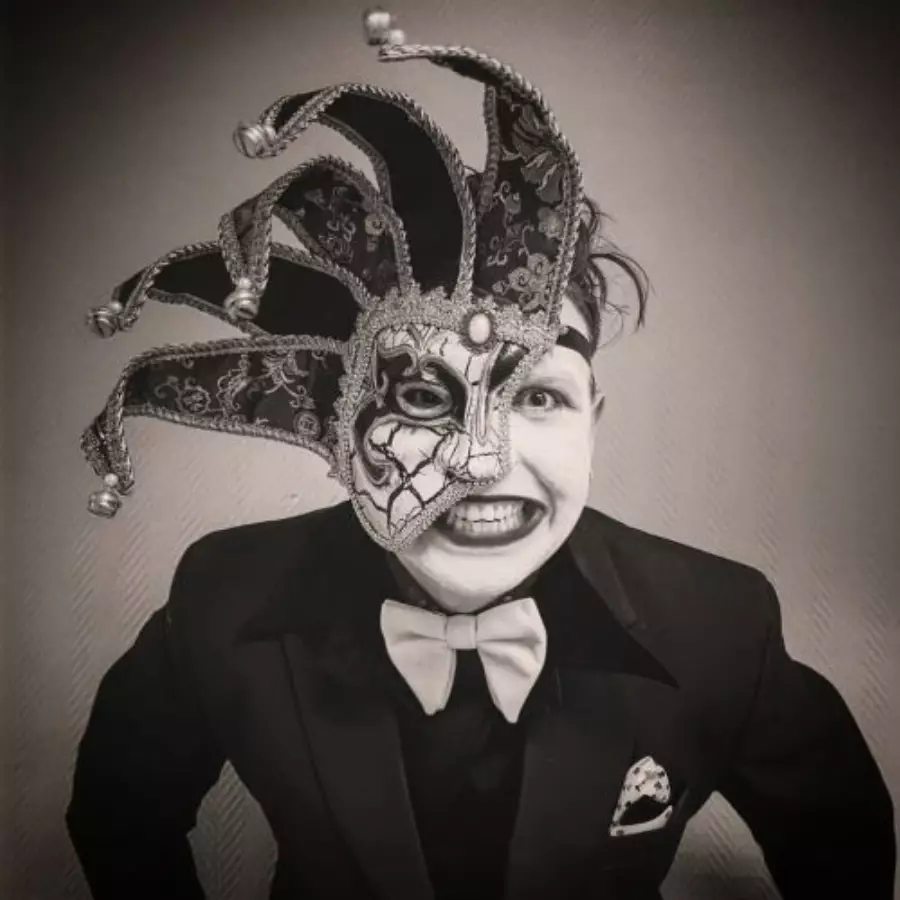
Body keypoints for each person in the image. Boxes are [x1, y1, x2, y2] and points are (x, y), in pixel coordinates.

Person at [67, 10, 895, 900]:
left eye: (537, 397)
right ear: (340, 427)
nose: (483, 460)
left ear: (590, 419)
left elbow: (840, 836)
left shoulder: (718, 622)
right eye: (425, 398)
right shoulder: (223, 598)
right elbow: (120, 809)